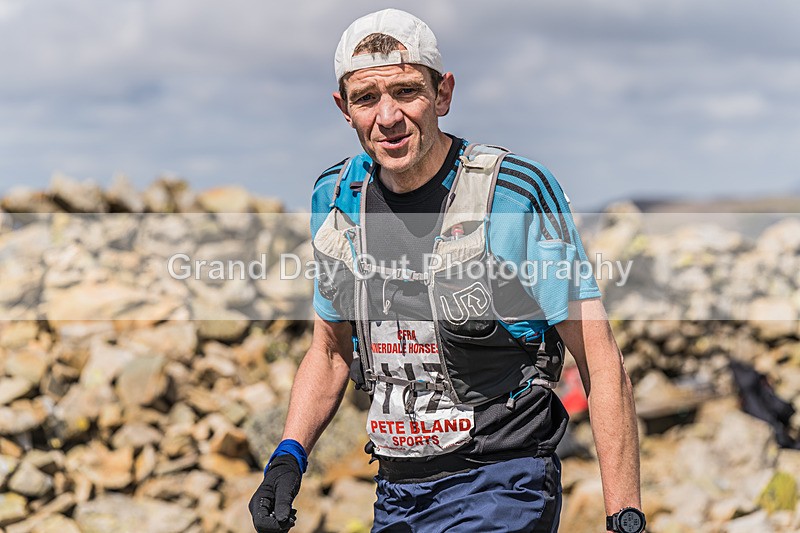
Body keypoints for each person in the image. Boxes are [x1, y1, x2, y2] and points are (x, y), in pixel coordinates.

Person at [249, 8, 643, 533]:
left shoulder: (514, 193)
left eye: (407, 92)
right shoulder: (337, 198)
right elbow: (329, 351)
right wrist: (289, 456)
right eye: (367, 98)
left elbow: (597, 354)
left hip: (504, 480)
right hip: (396, 490)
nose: (387, 117)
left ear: (443, 94)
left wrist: (624, 515)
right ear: (344, 108)